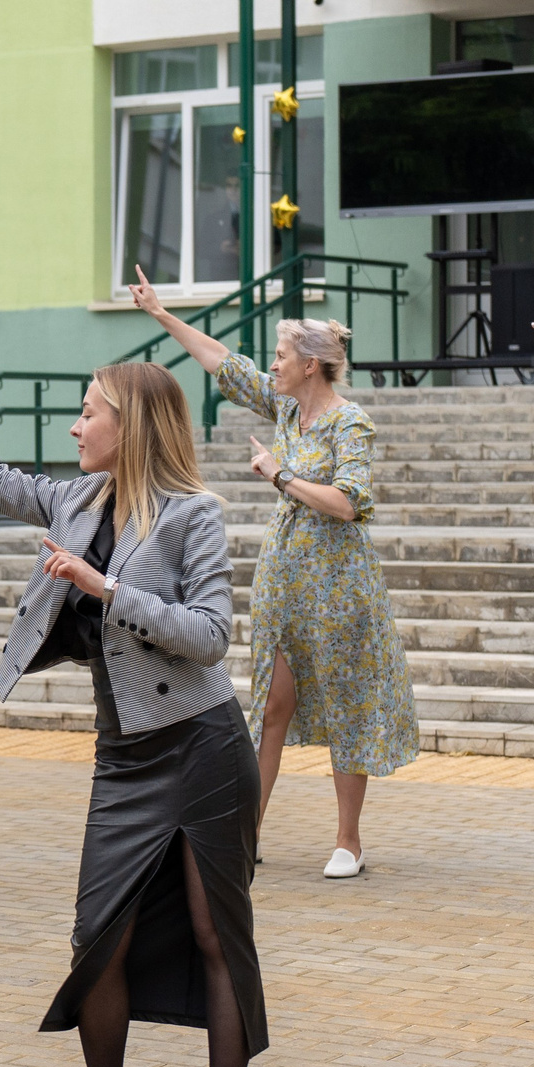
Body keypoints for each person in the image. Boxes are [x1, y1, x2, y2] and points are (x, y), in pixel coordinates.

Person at [0, 312, 263, 1067]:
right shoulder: (73, 497)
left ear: (129, 424)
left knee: (218, 936)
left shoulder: (192, 517)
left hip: (204, 746)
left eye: (88, 409)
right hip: (125, 757)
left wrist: (107, 589)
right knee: (97, 934)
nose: (75, 424)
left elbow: (213, 635)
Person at [129, 271, 418, 878]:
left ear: (311, 364)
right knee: (270, 707)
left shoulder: (350, 422)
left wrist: (279, 475)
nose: (273, 364)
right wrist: (160, 313)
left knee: (346, 703)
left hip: (340, 585)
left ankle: (348, 842)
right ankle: (245, 832)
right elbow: (223, 363)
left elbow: (350, 503)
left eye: (282, 355)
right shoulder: (285, 407)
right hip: (285, 579)